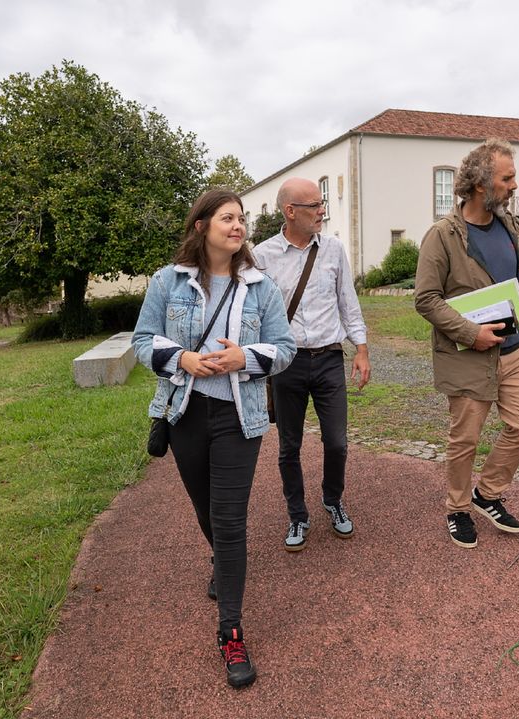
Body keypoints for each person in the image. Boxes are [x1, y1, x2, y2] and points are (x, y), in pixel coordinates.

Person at [132, 189, 296, 688]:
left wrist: (244, 358)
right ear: (201, 225)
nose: (238, 225)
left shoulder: (261, 287)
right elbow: (142, 340)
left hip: (238, 419)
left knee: (229, 522)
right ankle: (220, 565)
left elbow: (285, 349)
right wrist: (180, 358)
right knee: (206, 512)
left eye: (242, 218)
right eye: (227, 217)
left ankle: (231, 629)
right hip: (184, 414)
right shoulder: (168, 281)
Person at [414, 138, 519, 549]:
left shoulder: (512, 227)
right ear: (482, 185)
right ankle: (457, 509)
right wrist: (472, 334)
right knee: (465, 438)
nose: (515, 185)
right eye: (508, 178)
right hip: (469, 355)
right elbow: (426, 299)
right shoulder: (442, 235)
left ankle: (486, 493)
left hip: (516, 349)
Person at [252, 178, 370, 552]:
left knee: (337, 443)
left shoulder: (333, 249)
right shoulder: (262, 256)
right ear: (290, 212)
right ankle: (297, 514)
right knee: (289, 446)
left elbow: (347, 302)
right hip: (286, 364)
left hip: (329, 359)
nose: (323, 211)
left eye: (322, 204)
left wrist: (362, 350)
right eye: (315, 205)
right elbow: (251, 313)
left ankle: (333, 501)